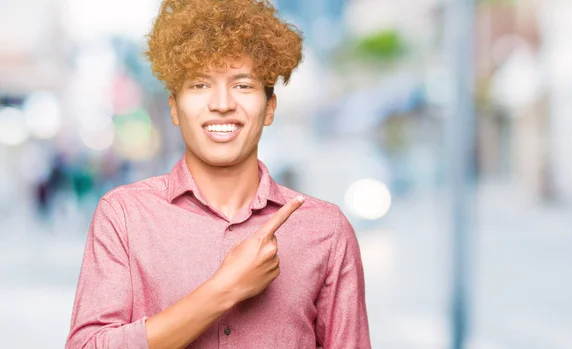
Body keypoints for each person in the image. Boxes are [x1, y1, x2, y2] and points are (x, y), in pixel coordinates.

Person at [66, 0, 371, 348]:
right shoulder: (124, 217)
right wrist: (224, 289)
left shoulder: (327, 232)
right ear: (174, 108)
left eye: (243, 85)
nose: (222, 103)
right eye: (199, 85)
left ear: (269, 107)